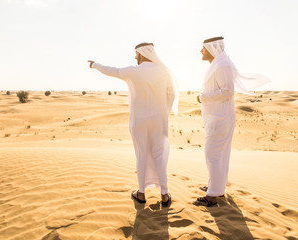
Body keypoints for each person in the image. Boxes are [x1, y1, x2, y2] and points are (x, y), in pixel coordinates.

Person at [88, 42, 178, 205]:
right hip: (159, 119)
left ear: (142, 53)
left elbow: (111, 71)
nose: (135, 57)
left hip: (139, 121)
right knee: (159, 154)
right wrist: (164, 112)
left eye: (136, 54)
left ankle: (141, 193)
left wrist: (95, 65)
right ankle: (164, 194)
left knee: (141, 154)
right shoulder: (163, 72)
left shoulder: (134, 71)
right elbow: (171, 94)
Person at [194, 37, 270, 207]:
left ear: (212, 48)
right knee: (217, 155)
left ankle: (212, 196)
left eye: (203, 48)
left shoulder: (222, 65)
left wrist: (202, 98)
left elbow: (227, 91)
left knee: (212, 155)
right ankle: (216, 187)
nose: (201, 51)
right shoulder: (219, 64)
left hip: (220, 118)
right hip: (217, 117)